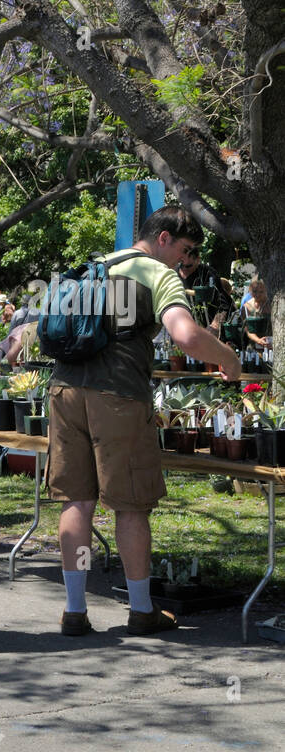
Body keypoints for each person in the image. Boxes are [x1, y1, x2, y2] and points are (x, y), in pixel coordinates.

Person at [47, 205, 240, 637]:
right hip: (117, 396)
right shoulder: (156, 273)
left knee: (77, 501)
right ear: (164, 238)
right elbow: (186, 336)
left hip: (64, 390)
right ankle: (140, 610)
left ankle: (75, 610)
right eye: (185, 251)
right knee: (131, 504)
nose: (186, 263)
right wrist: (228, 357)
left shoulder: (96, 266)